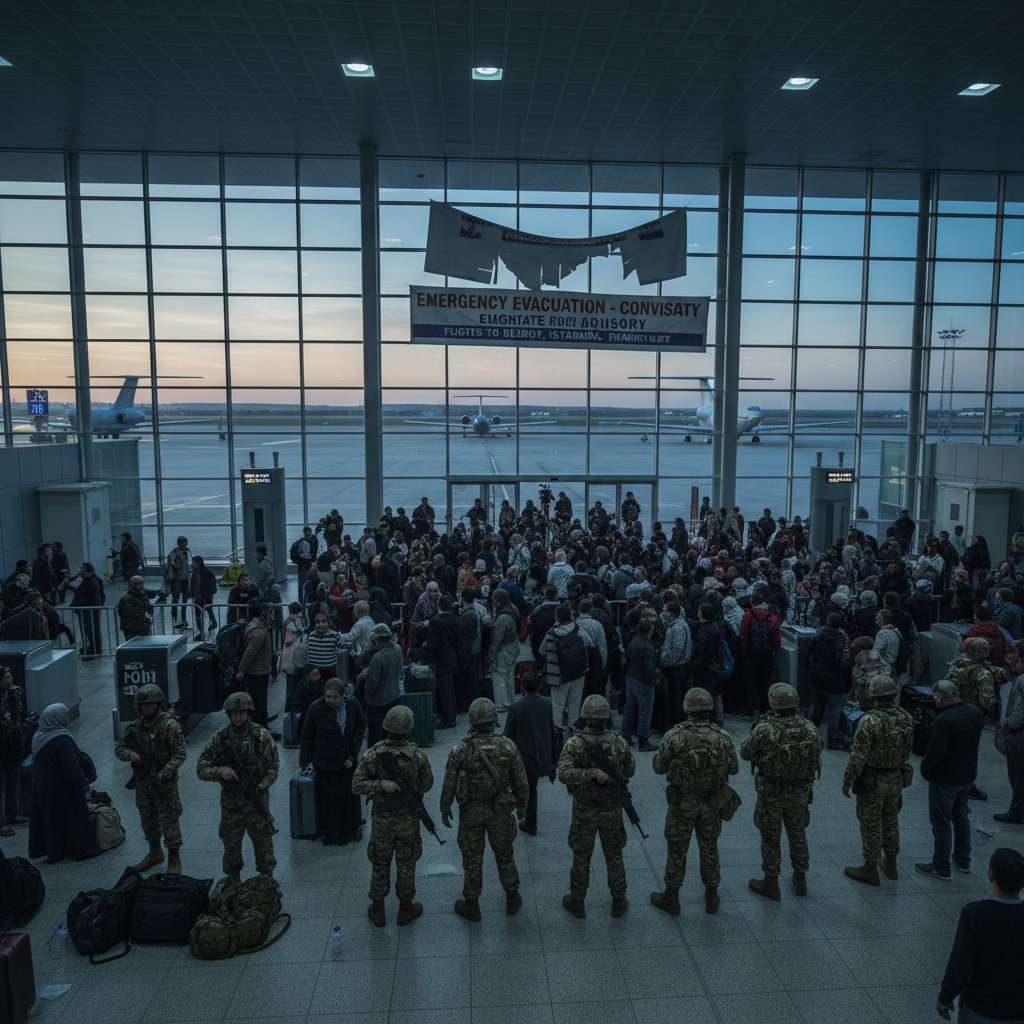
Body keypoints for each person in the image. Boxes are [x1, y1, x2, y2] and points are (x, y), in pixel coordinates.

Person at [650, 687, 739, 916]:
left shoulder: (675, 735)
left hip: (682, 803)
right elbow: (734, 768)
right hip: (711, 803)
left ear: (687, 707)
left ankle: (672, 896)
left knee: (677, 849)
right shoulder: (722, 736)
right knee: (709, 847)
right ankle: (711, 895)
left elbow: (659, 767)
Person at [440, 697, 529, 921]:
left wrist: (445, 807)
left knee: (472, 857)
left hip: (471, 812)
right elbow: (521, 781)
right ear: (493, 720)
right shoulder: (508, 746)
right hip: (499, 810)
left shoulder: (461, 749)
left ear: (472, 721)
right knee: (505, 854)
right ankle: (511, 897)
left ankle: (471, 903)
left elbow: (449, 781)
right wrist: (521, 806)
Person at [352, 704, 434, 927]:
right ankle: (405, 908)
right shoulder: (417, 756)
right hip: (408, 821)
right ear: (410, 728)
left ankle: (378, 909)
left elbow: (356, 785)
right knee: (407, 863)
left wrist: (379, 785)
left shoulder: (373, 754)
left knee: (380, 862)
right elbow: (427, 784)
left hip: (381, 821)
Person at [741, 683, 822, 900]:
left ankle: (771, 881)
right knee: (798, 833)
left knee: (770, 835)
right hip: (800, 791)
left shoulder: (766, 728)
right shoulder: (810, 728)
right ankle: (800, 877)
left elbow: (746, 752)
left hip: (771, 792)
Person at [556, 694, 635, 919]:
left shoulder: (575, 743)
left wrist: (586, 773)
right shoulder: (618, 741)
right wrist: (597, 772)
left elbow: (563, 773)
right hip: (611, 809)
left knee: (581, 855)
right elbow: (630, 770)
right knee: (614, 854)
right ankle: (618, 900)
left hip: (584, 810)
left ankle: (577, 900)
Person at [196, 692, 279, 882]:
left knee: (263, 843)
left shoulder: (261, 735)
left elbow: (273, 767)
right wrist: (220, 772)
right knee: (231, 844)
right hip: (231, 804)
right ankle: (233, 883)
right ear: (229, 715)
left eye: (242, 713)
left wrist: (260, 786)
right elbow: (201, 768)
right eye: (235, 713)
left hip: (256, 800)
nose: (239, 717)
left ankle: (267, 881)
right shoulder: (219, 738)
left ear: (249, 713)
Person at [936, 847, 1024, 1022]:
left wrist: (945, 997)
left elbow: (960, 962)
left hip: (979, 1008)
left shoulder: (976, 914)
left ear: (991, 874)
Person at [842, 674, 914, 886]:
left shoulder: (869, 720)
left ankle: (870, 868)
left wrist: (848, 780)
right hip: (896, 778)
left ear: (873, 696)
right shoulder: (905, 716)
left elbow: (859, 755)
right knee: (891, 819)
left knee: (870, 824)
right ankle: (890, 863)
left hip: (872, 781)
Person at [916, 679, 985, 880]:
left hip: (945, 779)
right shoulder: (974, 713)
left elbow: (935, 754)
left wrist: (925, 768)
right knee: (961, 817)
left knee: (941, 822)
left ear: (938, 697)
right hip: (967, 776)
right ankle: (963, 860)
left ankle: (940, 866)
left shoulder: (944, 721)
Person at [113, 683, 186, 874]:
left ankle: (174, 857)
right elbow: (119, 748)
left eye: (151, 704)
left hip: (164, 783)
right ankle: (154, 852)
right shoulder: (134, 728)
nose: (148, 708)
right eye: (144, 705)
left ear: (158, 704)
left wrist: (166, 771)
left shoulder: (169, 725)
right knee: (148, 819)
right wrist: (131, 755)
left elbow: (179, 754)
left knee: (169, 818)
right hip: (142, 783)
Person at [28, 703, 99, 864]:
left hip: (42, 785)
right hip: (61, 787)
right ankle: (77, 848)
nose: (67, 718)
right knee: (72, 816)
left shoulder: (40, 735)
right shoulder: (61, 739)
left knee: (52, 818)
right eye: (65, 715)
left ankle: (55, 851)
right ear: (57, 718)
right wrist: (84, 783)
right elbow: (71, 767)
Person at [299, 677, 366, 846]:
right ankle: (330, 832)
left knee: (350, 796)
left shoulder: (352, 705)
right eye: (328, 697)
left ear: (342, 696)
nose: (331, 700)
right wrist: (304, 761)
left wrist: (352, 754)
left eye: (335, 697)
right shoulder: (316, 708)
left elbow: (360, 725)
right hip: (325, 762)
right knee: (328, 800)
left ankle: (352, 828)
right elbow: (307, 736)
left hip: (346, 760)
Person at [503, 671, 558, 835]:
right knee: (532, 789)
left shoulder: (516, 707)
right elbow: (550, 731)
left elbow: (508, 735)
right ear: (539, 685)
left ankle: (527, 819)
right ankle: (528, 819)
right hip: (539, 754)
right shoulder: (547, 704)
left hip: (522, 756)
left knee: (524, 788)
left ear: (522, 687)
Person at [541, 604, 592, 731]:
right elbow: (590, 643)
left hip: (558, 674)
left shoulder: (552, 633)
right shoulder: (578, 630)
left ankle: (556, 731)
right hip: (578, 672)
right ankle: (573, 730)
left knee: (557, 704)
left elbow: (542, 650)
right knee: (574, 703)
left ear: (558, 617)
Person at [806, 612, 852, 747]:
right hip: (835, 680)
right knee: (834, 709)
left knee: (818, 706)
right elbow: (845, 662)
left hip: (817, 677)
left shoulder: (818, 635)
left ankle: (810, 735)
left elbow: (809, 654)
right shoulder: (843, 639)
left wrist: (811, 671)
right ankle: (832, 740)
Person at [359, 623, 403, 747]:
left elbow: (373, 683)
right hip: (394, 697)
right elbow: (400, 670)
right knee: (389, 730)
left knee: (374, 734)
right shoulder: (398, 649)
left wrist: (366, 694)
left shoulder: (378, 658)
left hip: (377, 702)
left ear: (377, 640)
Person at [739, 587, 781, 717]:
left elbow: (743, 634)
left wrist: (745, 649)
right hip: (767, 654)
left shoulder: (748, 615)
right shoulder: (772, 617)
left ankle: (752, 708)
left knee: (751, 681)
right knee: (765, 682)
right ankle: (765, 708)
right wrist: (773, 649)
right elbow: (776, 638)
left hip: (751, 654)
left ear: (752, 601)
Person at [621, 617, 659, 751]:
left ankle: (625, 735)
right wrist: (657, 677)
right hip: (643, 682)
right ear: (649, 631)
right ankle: (643, 740)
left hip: (631, 678)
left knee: (630, 708)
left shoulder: (634, 641)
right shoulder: (648, 647)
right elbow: (649, 669)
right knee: (645, 711)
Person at [0, 666, 29, 836]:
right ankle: (2, 820)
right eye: (7, 677)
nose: (10, 679)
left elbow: (19, 714)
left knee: (13, 779)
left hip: (13, 743)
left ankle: (13, 813)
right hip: (3, 743)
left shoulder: (13, 694)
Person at [235, 602, 274, 730]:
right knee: (259, 703)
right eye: (270, 613)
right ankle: (259, 729)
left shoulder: (258, 627)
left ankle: (263, 726)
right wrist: (241, 670)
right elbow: (249, 653)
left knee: (260, 702)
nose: (272, 615)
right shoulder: (259, 632)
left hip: (259, 670)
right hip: (258, 672)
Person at [994, 670, 1024, 825]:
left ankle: (1017, 812)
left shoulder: (1021, 680)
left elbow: (1020, 713)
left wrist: (1007, 723)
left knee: (1018, 775)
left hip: (1020, 735)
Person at [488, 589, 520, 711]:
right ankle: (510, 700)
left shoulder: (502, 618)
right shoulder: (512, 609)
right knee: (509, 675)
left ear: (498, 601)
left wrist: (492, 653)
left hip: (504, 649)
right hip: (513, 646)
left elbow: (497, 639)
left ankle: (501, 704)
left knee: (498, 675)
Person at [68, 561, 105, 658]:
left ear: (86, 570)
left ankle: (94, 650)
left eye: (82, 568)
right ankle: (90, 649)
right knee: (88, 631)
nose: (80, 570)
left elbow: (97, 596)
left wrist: (97, 609)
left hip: (90, 611)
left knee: (91, 631)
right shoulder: (86, 580)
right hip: (85, 610)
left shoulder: (93, 581)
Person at [163, 535, 192, 630]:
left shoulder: (187, 552)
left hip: (185, 579)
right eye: (183, 544)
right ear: (179, 544)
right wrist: (179, 557)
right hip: (177, 579)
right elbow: (175, 566)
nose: (185, 546)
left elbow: (188, 565)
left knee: (185, 599)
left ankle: (183, 618)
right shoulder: (174, 554)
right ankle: (175, 614)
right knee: (176, 597)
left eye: (186, 544)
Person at [189, 554, 218, 640]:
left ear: (199, 563)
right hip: (200, 597)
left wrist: (204, 595)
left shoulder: (205, 573)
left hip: (203, 597)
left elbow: (209, 586)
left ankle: (203, 632)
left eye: (193, 563)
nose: (192, 564)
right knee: (206, 611)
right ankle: (208, 627)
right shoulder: (197, 572)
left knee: (200, 614)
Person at [117, 575, 152, 641]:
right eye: (137, 584)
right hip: (132, 630)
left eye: (141, 583)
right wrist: (144, 614)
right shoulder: (126, 598)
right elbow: (128, 613)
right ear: (132, 585)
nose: (140, 585)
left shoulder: (143, 596)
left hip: (144, 628)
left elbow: (148, 608)